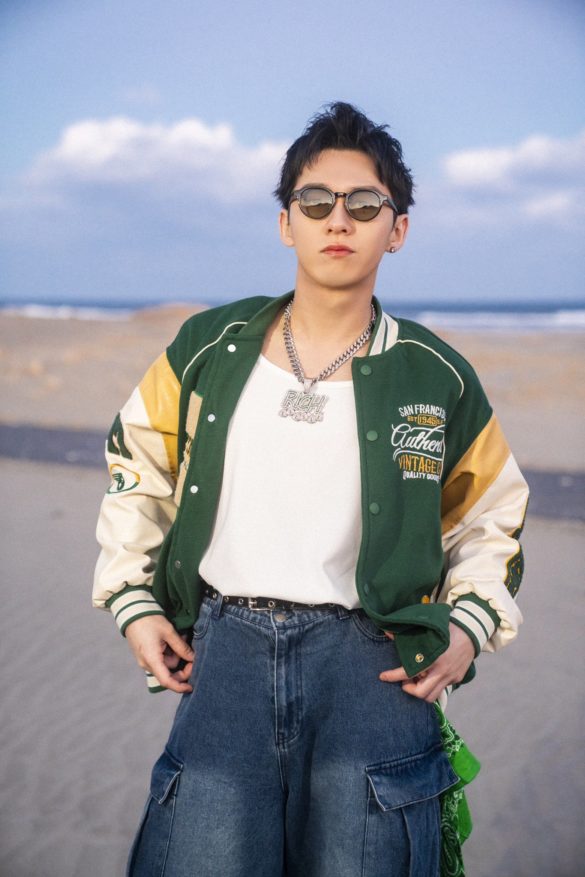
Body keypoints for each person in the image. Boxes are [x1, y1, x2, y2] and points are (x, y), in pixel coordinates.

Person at [93, 102, 528, 876]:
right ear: (285, 222)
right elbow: (138, 465)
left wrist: (467, 627)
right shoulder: (209, 347)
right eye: (315, 200)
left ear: (396, 229)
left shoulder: (437, 375)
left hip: (373, 668)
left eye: (364, 204)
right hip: (223, 657)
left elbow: (491, 516)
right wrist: (133, 599)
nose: (338, 219)